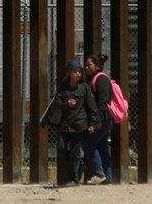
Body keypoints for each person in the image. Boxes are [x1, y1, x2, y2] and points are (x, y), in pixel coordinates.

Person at [43, 58, 99, 187]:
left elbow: (92, 106)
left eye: (79, 71)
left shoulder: (84, 88)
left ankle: (74, 180)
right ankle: (78, 164)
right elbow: (57, 103)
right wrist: (66, 103)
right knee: (62, 148)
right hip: (65, 125)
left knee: (74, 152)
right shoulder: (63, 87)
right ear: (69, 73)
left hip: (80, 125)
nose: (78, 74)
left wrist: (92, 123)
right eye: (75, 71)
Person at [83, 54, 113, 184]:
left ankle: (99, 173)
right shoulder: (96, 78)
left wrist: (96, 123)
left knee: (88, 144)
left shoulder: (100, 79)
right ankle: (108, 177)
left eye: (89, 65)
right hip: (104, 119)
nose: (86, 67)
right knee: (102, 147)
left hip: (103, 119)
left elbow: (102, 103)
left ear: (97, 66)